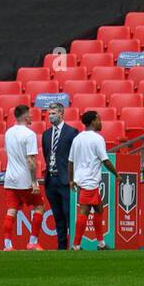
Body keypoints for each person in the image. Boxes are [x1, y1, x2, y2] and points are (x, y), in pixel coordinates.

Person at [68, 110, 116, 250]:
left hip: (83, 179)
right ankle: (76, 245)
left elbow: (70, 161)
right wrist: (116, 174)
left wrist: (71, 180)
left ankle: (101, 243)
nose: (101, 122)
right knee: (84, 211)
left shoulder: (77, 138)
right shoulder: (97, 138)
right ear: (93, 121)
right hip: (89, 180)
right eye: (99, 119)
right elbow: (105, 160)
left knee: (99, 208)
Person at [3, 104, 46, 250]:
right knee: (39, 206)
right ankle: (32, 242)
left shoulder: (8, 132)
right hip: (25, 180)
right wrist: (34, 181)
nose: (32, 116)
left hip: (10, 178)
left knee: (11, 210)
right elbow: (31, 160)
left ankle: (7, 245)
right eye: (30, 114)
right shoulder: (29, 134)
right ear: (26, 116)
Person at [40, 102, 78, 251]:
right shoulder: (46, 134)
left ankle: (74, 245)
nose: (50, 116)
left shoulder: (71, 132)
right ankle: (61, 247)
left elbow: (74, 156)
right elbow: (46, 154)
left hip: (66, 180)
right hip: (51, 179)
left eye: (53, 113)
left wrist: (71, 178)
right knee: (57, 216)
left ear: (61, 114)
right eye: (49, 113)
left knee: (69, 214)